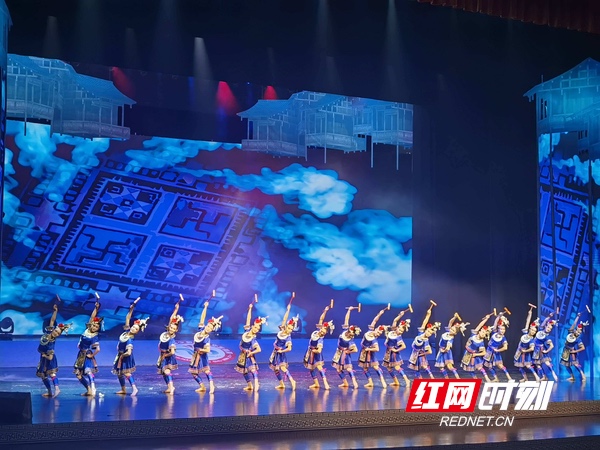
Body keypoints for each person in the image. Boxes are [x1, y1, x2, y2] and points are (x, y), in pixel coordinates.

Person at [113, 298, 149, 396]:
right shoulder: (126, 332)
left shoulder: (130, 339)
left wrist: (122, 356)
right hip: (120, 355)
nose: (133, 329)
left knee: (127, 373)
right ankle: (123, 389)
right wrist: (132, 308)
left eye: (136, 329)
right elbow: (127, 318)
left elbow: (129, 352)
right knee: (120, 373)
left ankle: (134, 388)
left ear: (137, 332)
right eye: (133, 327)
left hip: (125, 357)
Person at [37, 301, 71, 397]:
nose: (55, 333)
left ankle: (57, 388)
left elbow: (50, 357)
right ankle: (49, 391)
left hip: (49, 358)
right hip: (43, 357)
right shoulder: (49, 331)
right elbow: (52, 320)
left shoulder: (51, 343)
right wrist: (55, 311)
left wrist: (44, 355)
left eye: (58, 333)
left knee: (51, 374)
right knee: (43, 375)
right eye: (55, 331)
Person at [189, 296, 222, 394]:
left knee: (207, 371)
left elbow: (207, 350)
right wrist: (205, 307)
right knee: (194, 373)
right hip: (195, 355)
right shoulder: (200, 329)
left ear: (211, 330)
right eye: (208, 326)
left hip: (202, 356)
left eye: (210, 328)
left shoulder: (207, 338)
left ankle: (211, 386)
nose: (208, 328)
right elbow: (202, 318)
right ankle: (202, 386)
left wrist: (201, 350)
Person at [73, 295, 102, 396]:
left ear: (98, 329)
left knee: (88, 371)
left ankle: (93, 387)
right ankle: (88, 389)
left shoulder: (94, 336)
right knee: (78, 374)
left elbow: (98, 349)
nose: (94, 327)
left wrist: (92, 355)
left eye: (96, 327)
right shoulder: (87, 330)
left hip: (87, 354)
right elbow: (92, 317)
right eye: (93, 325)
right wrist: (96, 308)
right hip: (80, 355)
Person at [235, 299, 267, 391]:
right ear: (253, 326)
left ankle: (256, 383)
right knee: (244, 371)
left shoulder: (253, 338)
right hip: (242, 354)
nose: (256, 329)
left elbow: (259, 349)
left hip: (248, 355)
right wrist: (250, 309)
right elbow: (248, 319)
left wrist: (251, 353)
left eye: (258, 329)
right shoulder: (247, 330)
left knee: (253, 370)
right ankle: (249, 385)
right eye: (255, 327)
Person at [269, 297, 298, 390]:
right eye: (289, 328)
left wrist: (282, 351)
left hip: (280, 354)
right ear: (286, 326)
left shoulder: (288, 337)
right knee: (275, 369)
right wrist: (288, 310)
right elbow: (285, 319)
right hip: (275, 352)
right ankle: (281, 384)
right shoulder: (282, 329)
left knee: (283, 368)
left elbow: (289, 348)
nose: (290, 330)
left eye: (291, 329)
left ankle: (292, 381)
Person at [304, 301, 335, 390]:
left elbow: (319, 350)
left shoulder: (320, 339)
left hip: (316, 353)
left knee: (319, 367)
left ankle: (326, 383)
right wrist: (325, 311)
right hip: (310, 352)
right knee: (311, 368)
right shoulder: (317, 331)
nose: (322, 331)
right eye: (322, 329)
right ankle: (316, 383)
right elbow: (321, 319)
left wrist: (314, 351)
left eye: (324, 331)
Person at [157, 296, 184, 394]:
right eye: (171, 327)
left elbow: (172, 352)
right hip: (163, 355)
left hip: (168, 357)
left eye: (173, 328)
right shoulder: (166, 334)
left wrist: (165, 356)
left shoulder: (171, 339)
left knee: (166, 371)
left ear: (176, 330)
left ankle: (171, 387)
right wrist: (176, 309)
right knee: (163, 372)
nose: (171, 329)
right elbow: (171, 318)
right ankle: (169, 387)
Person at [359, 305, 390, 388]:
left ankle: (383, 381)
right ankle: (370, 382)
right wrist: (380, 314)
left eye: (380, 334)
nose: (378, 334)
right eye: (378, 332)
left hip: (369, 353)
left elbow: (377, 349)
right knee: (365, 368)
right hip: (363, 352)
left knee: (376, 367)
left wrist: (368, 349)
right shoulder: (370, 330)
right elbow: (375, 320)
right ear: (376, 329)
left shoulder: (374, 340)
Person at [408, 302, 441, 378]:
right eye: (428, 331)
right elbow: (424, 322)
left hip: (419, 354)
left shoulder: (426, 340)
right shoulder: (421, 333)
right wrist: (428, 315)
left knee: (424, 367)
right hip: (415, 353)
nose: (429, 334)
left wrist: (422, 354)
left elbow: (430, 351)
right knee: (416, 369)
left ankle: (432, 378)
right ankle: (420, 380)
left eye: (430, 334)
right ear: (426, 330)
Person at [332, 305, 361, 389]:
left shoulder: (350, 340)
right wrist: (349, 311)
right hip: (338, 352)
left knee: (348, 369)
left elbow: (355, 350)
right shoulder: (345, 331)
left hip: (345, 353)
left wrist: (348, 351)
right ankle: (345, 383)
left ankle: (354, 382)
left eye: (352, 333)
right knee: (338, 369)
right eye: (351, 332)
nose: (351, 333)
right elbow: (346, 319)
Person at [460, 312, 494, 381]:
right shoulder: (473, 334)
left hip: (474, 355)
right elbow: (480, 325)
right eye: (483, 332)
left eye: (485, 334)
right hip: (467, 353)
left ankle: (487, 379)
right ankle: (475, 379)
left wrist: (476, 354)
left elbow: (484, 353)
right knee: (470, 369)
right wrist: (486, 319)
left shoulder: (481, 343)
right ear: (480, 331)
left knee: (480, 368)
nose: (483, 334)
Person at [382, 309, 411, 387]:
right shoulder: (393, 331)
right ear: (397, 328)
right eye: (400, 330)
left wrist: (396, 350)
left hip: (393, 354)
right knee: (388, 368)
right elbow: (395, 321)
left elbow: (404, 346)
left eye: (402, 331)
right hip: (388, 352)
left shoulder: (398, 337)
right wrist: (400, 315)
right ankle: (396, 382)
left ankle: (407, 380)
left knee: (397, 367)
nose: (400, 332)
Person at [435, 312, 468, 379]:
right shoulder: (447, 332)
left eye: (453, 330)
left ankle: (458, 378)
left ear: (455, 333)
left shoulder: (450, 338)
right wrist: (455, 317)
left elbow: (448, 347)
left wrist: (443, 350)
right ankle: (447, 378)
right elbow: (450, 322)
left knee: (449, 366)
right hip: (441, 351)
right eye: (451, 328)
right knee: (441, 367)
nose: (451, 330)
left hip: (446, 352)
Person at [513, 305, 541, 381]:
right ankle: (525, 378)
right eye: (532, 330)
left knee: (528, 366)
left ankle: (537, 377)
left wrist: (525, 351)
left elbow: (532, 349)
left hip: (526, 353)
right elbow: (527, 322)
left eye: (535, 331)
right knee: (520, 367)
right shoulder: (525, 333)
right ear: (529, 329)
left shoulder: (532, 340)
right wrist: (530, 314)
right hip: (519, 351)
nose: (533, 332)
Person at [483, 312, 511, 381]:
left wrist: (498, 350)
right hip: (489, 352)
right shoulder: (494, 332)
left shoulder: (503, 338)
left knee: (500, 366)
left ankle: (509, 378)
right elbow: (495, 322)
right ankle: (496, 378)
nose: (502, 331)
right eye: (501, 329)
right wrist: (499, 316)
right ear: (498, 329)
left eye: (504, 329)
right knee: (489, 367)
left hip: (495, 353)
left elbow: (505, 347)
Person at [560, 312, 588, 382]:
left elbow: (583, 348)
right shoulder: (570, 333)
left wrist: (575, 351)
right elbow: (573, 324)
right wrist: (577, 317)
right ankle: (572, 377)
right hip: (566, 351)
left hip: (572, 352)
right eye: (578, 331)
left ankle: (583, 375)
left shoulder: (578, 339)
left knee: (575, 364)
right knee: (566, 365)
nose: (578, 333)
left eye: (579, 333)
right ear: (575, 330)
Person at [532, 311, 558, 381]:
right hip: (536, 349)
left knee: (547, 363)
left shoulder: (547, 337)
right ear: (546, 326)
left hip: (541, 349)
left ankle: (553, 374)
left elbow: (552, 346)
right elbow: (545, 320)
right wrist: (549, 316)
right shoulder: (541, 329)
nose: (548, 329)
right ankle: (544, 376)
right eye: (548, 327)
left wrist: (546, 351)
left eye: (550, 329)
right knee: (537, 364)